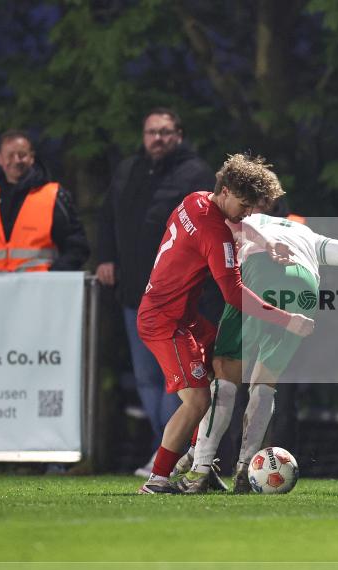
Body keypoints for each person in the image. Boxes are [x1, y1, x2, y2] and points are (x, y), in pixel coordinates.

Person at [174, 213, 338, 493]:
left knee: (225, 371)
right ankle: (244, 470)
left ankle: (200, 470)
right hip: (305, 286)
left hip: (260, 271)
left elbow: (226, 233)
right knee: (265, 382)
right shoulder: (308, 235)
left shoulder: (251, 218)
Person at [135, 153, 315, 494]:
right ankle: (158, 479)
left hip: (178, 316)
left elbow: (239, 226)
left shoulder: (197, 199)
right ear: (227, 190)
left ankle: (199, 459)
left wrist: (267, 243)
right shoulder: (214, 232)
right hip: (165, 322)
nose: (248, 212)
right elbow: (235, 295)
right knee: (198, 401)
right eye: (245, 204)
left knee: (221, 367)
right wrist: (287, 319)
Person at [95, 108, 217, 476]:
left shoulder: (195, 174)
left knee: (175, 381)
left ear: (179, 134)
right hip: (134, 292)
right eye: (152, 132)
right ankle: (163, 446)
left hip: (176, 300)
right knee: (146, 379)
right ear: (144, 135)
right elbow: (107, 216)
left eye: (165, 132)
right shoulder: (128, 169)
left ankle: (167, 452)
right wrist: (105, 257)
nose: (158, 138)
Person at [0, 130, 89, 273]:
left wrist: (55, 276)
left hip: (38, 290)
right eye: (10, 155)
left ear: (31, 158)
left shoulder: (52, 196)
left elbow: (77, 247)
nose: (16, 160)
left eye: (22, 155)